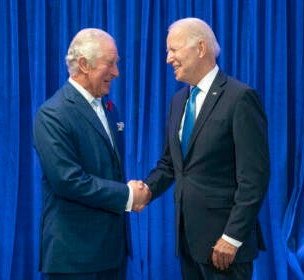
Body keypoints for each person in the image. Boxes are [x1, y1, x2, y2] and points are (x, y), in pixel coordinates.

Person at [144, 18, 270, 279]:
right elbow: (171, 164)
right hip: (189, 243)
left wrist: (233, 237)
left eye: (173, 50)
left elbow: (254, 177)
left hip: (225, 249)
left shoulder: (240, 98)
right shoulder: (178, 101)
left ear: (200, 48)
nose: (168, 59)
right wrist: (144, 191)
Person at [33, 28, 150, 280]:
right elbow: (68, 181)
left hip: (113, 253)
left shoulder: (110, 109)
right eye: (110, 63)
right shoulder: (53, 115)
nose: (117, 72)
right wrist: (128, 195)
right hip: (75, 258)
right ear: (84, 65)